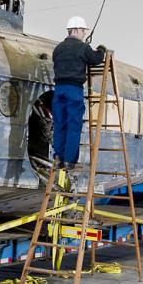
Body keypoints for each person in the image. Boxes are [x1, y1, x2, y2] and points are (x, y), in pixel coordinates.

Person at [51, 16, 106, 170]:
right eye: (82, 31)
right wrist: (101, 49)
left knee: (59, 125)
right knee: (73, 126)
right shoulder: (82, 48)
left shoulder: (58, 49)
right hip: (73, 90)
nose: (84, 34)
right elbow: (96, 59)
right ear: (75, 30)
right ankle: (69, 161)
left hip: (58, 90)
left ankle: (58, 158)